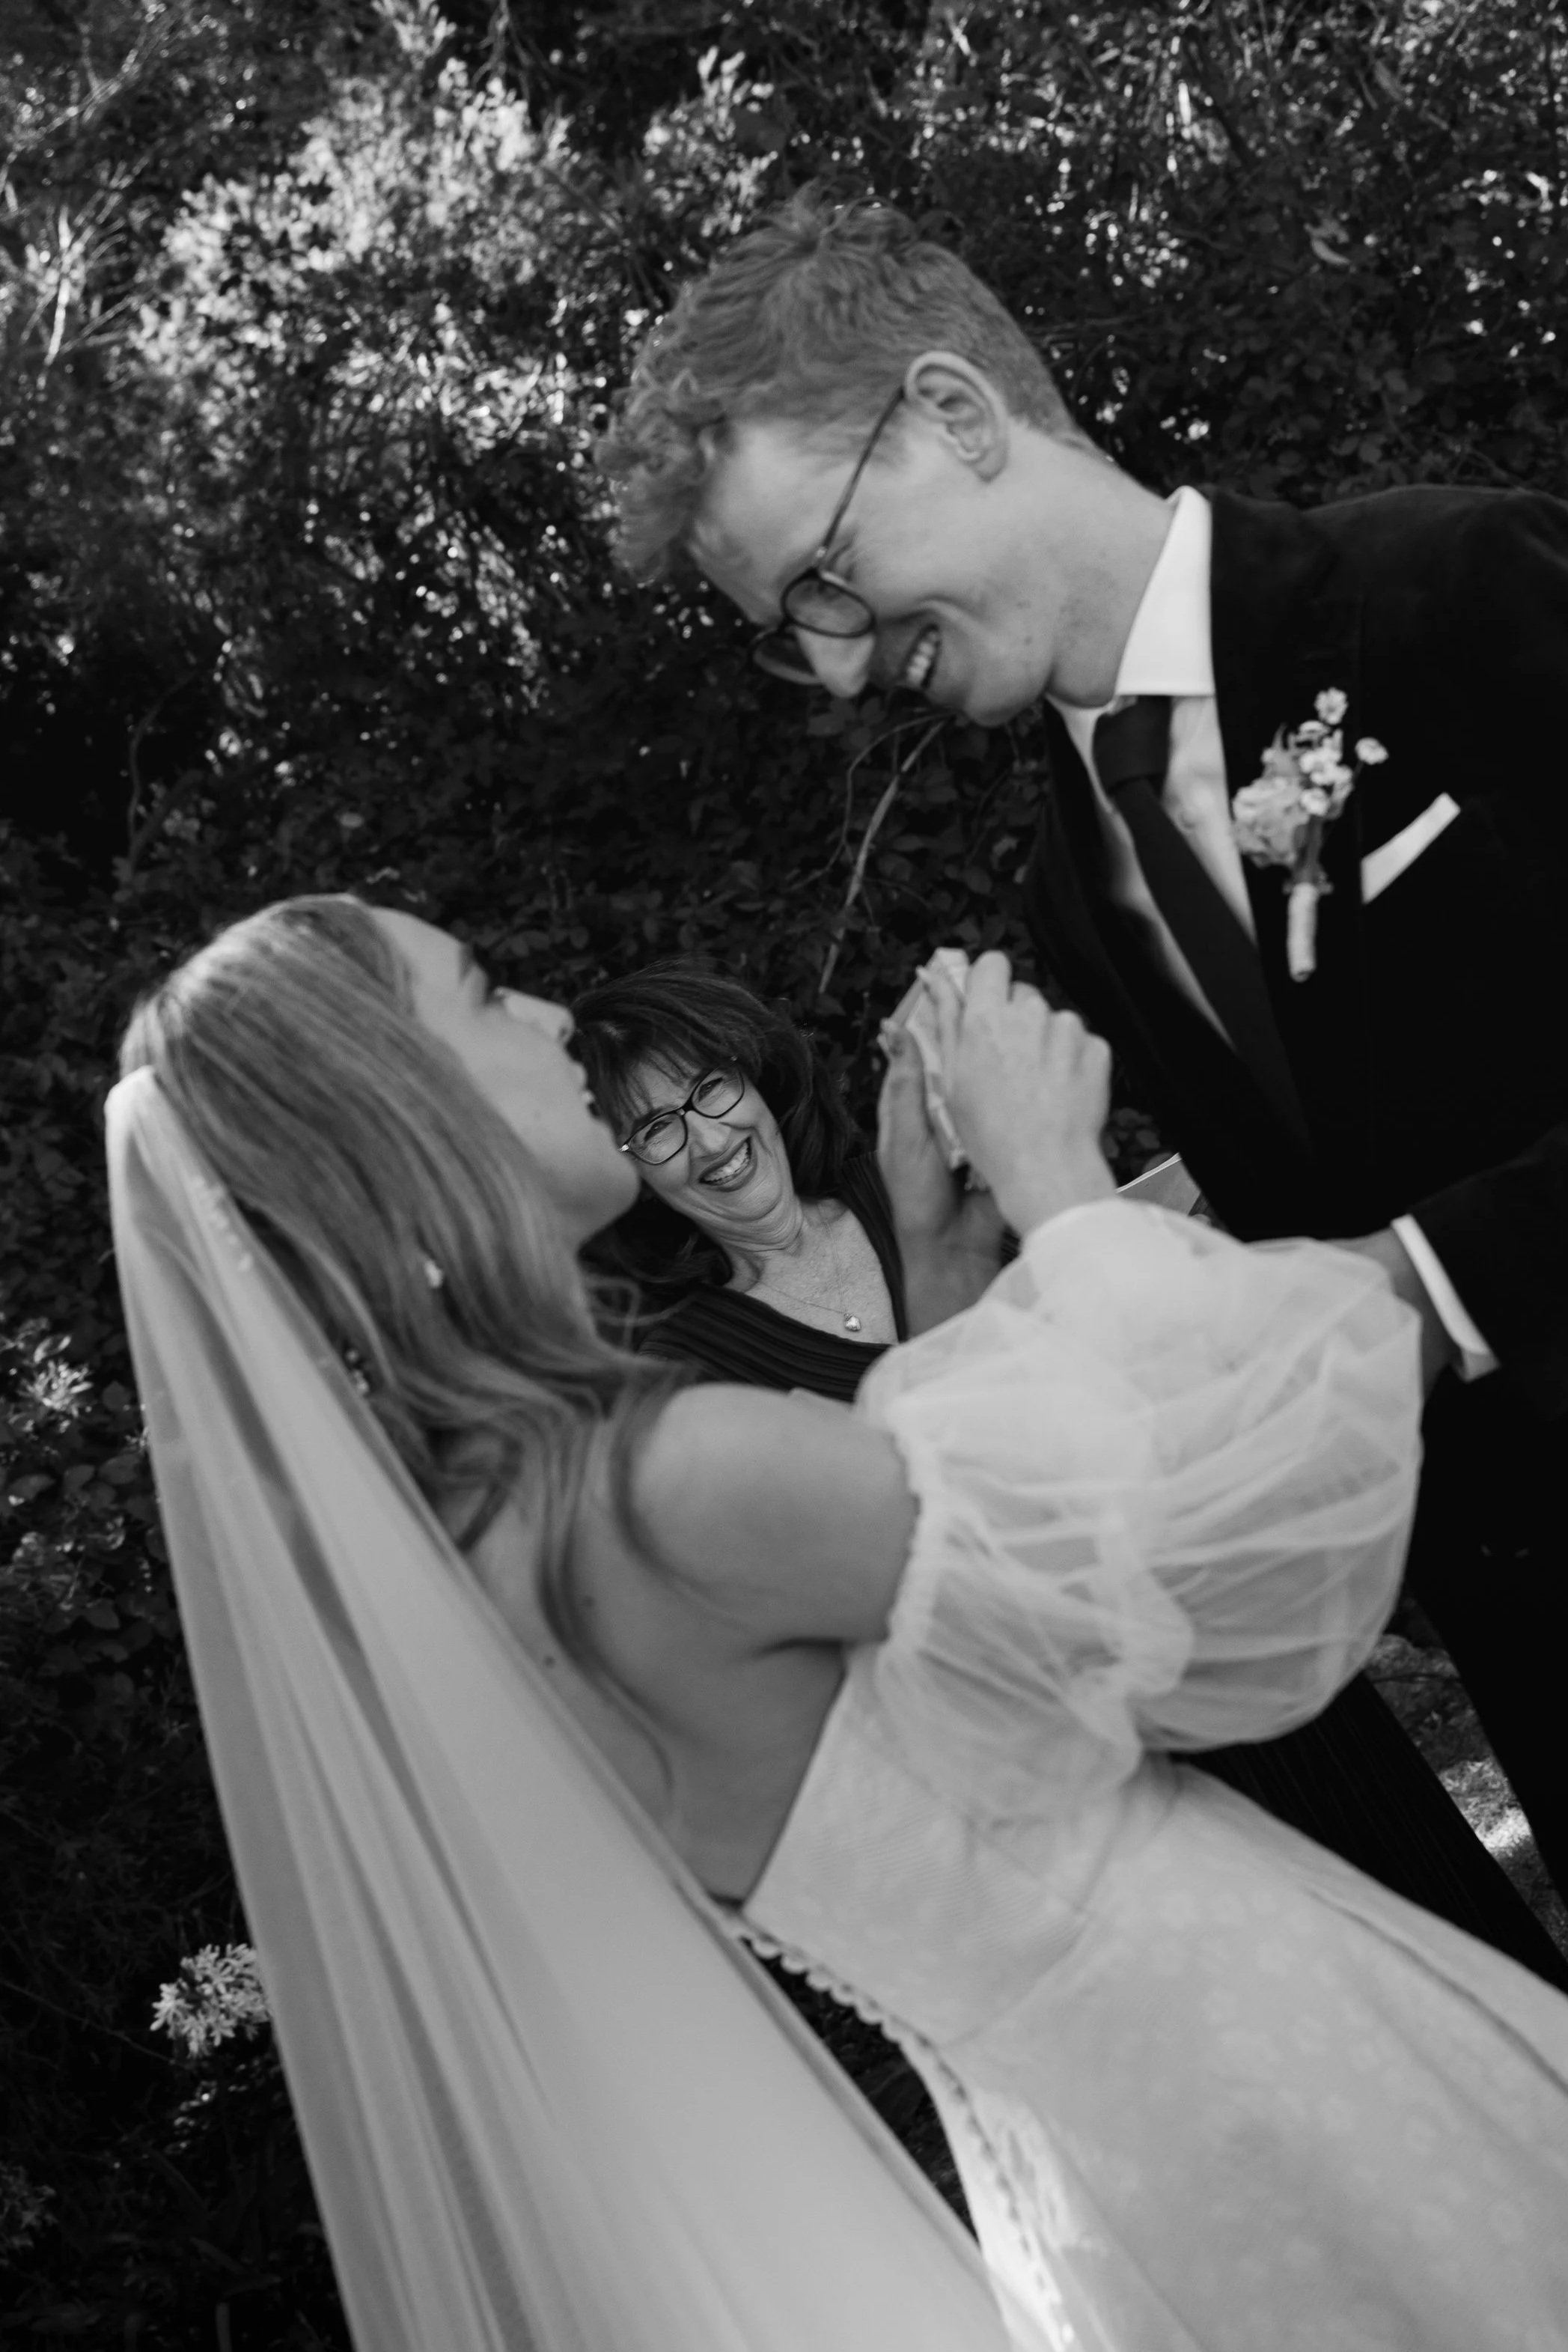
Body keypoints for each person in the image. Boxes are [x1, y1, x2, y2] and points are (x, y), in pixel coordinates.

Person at [110, 893, 1568, 2351]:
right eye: (489, 994)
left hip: (1108, 2135)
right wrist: (1053, 1169)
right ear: (399, 1119)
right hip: (1250, 2062)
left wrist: (930, 1237)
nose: (560, 1022)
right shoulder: (663, 1485)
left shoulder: (503, 1541)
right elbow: (1203, 1577)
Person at [596, 188, 1568, 1977]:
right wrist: (978, 1266)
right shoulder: (1070, 889)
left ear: (956, 417)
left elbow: (1381, 1264)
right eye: (780, 629)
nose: (825, 662)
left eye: (820, 577)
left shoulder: (1449, 582)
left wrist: (1425, 1284)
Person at [572, 959, 912, 1401]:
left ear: (756, 1077)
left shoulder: (910, 1186)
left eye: (710, 1087)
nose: (712, 1142)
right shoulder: (688, 1374)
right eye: (655, 1130)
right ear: (630, 1178)